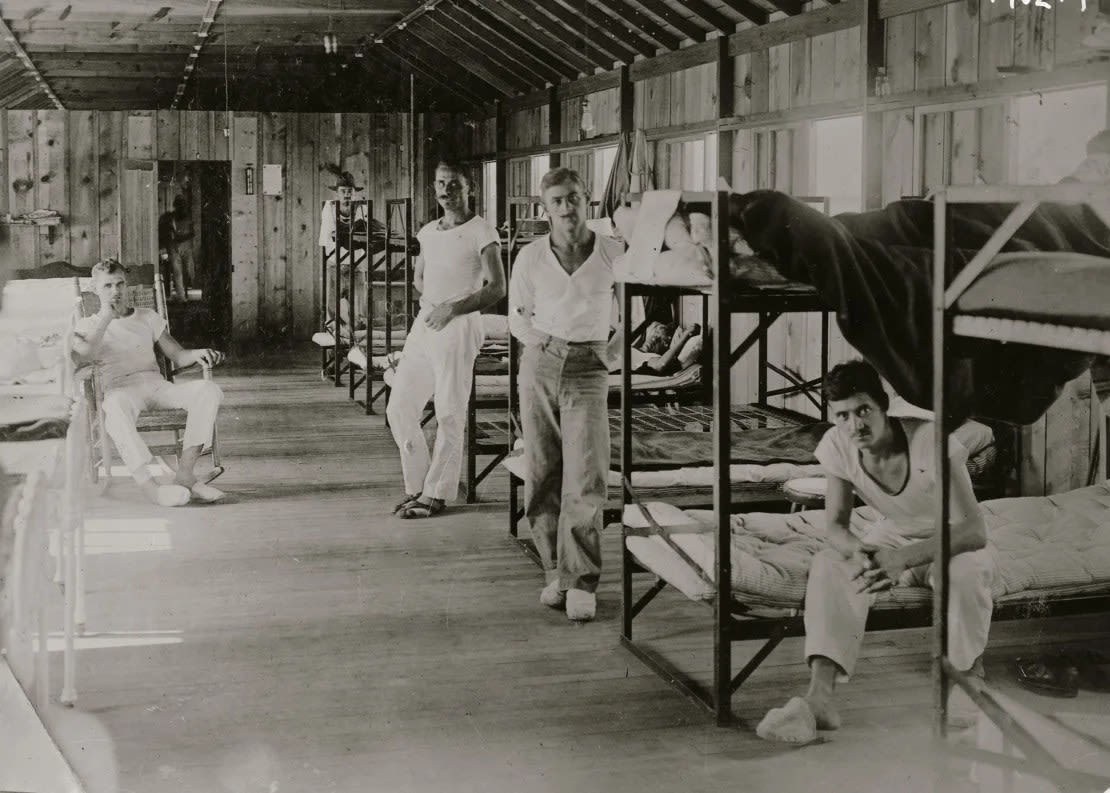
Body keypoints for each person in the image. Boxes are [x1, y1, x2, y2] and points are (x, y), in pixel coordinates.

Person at [757, 360, 994, 744]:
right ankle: (820, 700)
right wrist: (859, 549)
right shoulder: (837, 443)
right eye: (844, 415)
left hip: (950, 539)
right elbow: (835, 523)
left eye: (864, 410)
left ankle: (966, 679)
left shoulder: (931, 442)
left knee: (965, 574)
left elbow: (974, 530)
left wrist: (903, 559)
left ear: (885, 406)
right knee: (831, 563)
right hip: (892, 535)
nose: (856, 426)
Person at [508, 167, 625, 622]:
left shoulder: (613, 253)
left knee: (587, 474)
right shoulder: (531, 257)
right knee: (542, 470)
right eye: (556, 200)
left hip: (589, 368)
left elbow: (636, 310)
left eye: (573, 197)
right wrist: (544, 347)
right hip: (539, 363)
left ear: (587, 199)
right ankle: (554, 570)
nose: (565, 207)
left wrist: (609, 356)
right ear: (545, 208)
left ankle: (581, 580)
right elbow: (518, 316)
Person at [386, 160, 505, 519]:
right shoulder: (427, 231)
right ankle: (419, 486)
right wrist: (433, 304)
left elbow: (498, 287)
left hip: (459, 323)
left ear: (470, 189)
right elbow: (420, 278)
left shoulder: (482, 232)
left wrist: (452, 308)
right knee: (399, 407)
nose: (446, 191)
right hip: (427, 321)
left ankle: (436, 495)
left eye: (454, 185)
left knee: (450, 411)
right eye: (440, 184)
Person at [73, 260, 227, 507]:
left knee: (209, 390)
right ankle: (149, 487)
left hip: (156, 385)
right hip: (120, 389)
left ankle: (185, 474)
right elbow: (85, 355)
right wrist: (106, 318)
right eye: (108, 286)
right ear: (94, 288)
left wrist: (198, 352)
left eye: (120, 283)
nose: (115, 291)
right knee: (114, 408)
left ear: (128, 285)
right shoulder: (87, 325)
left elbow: (177, 355)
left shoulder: (147, 317)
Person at [318, 169, 369, 334]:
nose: (347, 195)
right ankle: (334, 349)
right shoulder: (330, 209)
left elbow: (363, 235)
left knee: (359, 311)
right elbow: (329, 236)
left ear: (354, 193)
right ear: (337, 193)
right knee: (332, 310)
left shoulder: (361, 208)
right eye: (343, 191)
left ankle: (356, 349)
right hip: (335, 264)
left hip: (357, 265)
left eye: (350, 191)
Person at [158, 195, 195, 303]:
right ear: (175, 206)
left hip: (186, 247)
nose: (181, 207)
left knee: (188, 271)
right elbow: (165, 232)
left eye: (183, 205)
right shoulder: (169, 217)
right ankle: (181, 297)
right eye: (179, 205)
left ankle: (185, 291)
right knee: (177, 272)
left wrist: (181, 238)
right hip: (173, 247)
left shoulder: (188, 217)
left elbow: (192, 233)